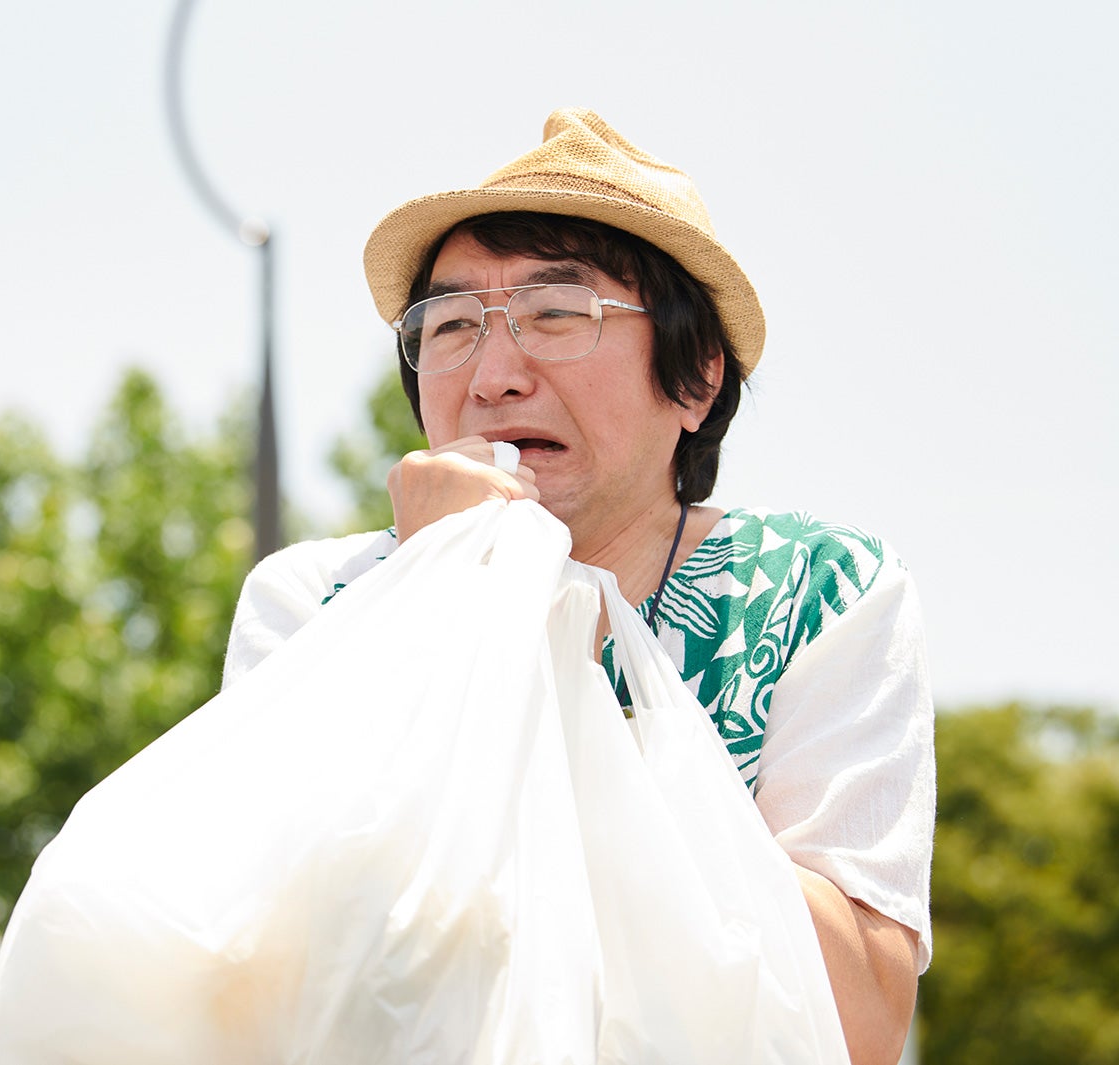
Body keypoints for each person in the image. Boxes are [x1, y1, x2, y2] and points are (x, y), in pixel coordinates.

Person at [222, 109, 934, 1065]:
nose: (495, 375)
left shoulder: (823, 592)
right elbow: (257, 975)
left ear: (697, 378)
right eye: (453, 325)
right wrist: (437, 609)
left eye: (559, 315)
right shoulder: (313, 602)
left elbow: (858, 1019)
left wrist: (562, 649)